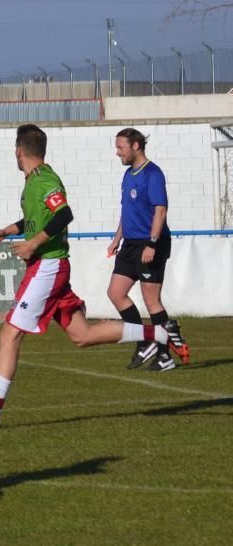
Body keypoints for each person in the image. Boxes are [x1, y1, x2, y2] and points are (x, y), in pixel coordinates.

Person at [0, 124, 189, 429]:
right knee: (82, 335)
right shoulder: (35, 181)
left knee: (9, 334)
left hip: (47, 267)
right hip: (51, 268)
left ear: (19, 151)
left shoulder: (44, 180)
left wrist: (34, 244)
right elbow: (39, 219)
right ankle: (157, 334)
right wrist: (8, 230)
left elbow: (64, 214)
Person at [106, 128, 189, 371]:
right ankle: (145, 342)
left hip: (150, 242)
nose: (117, 152)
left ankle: (165, 356)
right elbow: (126, 212)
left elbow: (160, 211)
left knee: (152, 301)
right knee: (115, 293)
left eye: (120, 147)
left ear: (135, 146)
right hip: (130, 244)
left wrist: (152, 243)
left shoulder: (152, 173)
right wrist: (116, 239)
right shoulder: (128, 175)